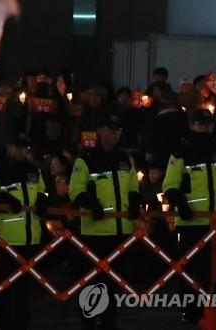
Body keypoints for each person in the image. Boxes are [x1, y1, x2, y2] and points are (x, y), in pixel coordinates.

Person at [69, 111, 142, 330]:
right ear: (99, 131)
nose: (114, 134)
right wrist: (91, 204)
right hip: (95, 231)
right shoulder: (86, 159)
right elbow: (75, 191)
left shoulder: (125, 159)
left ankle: (109, 321)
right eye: (110, 130)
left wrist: (136, 203)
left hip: (121, 230)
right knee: (92, 281)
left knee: (114, 282)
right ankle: (89, 321)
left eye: (117, 131)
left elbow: (133, 187)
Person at [162, 108, 216, 323]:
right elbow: (170, 185)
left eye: (207, 124)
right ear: (192, 125)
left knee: (212, 270)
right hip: (191, 220)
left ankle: (210, 309)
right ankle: (191, 310)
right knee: (188, 269)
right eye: (200, 124)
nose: (204, 128)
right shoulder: (181, 151)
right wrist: (180, 203)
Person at [0, 135, 48, 330]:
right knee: (5, 284)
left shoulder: (34, 170)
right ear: (8, 146)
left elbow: (42, 191)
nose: (22, 151)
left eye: (25, 147)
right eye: (18, 147)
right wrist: (2, 198)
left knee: (25, 286)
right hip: (5, 239)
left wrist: (43, 199)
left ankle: (22, 323)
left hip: (30, 236)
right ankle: (4, 321)